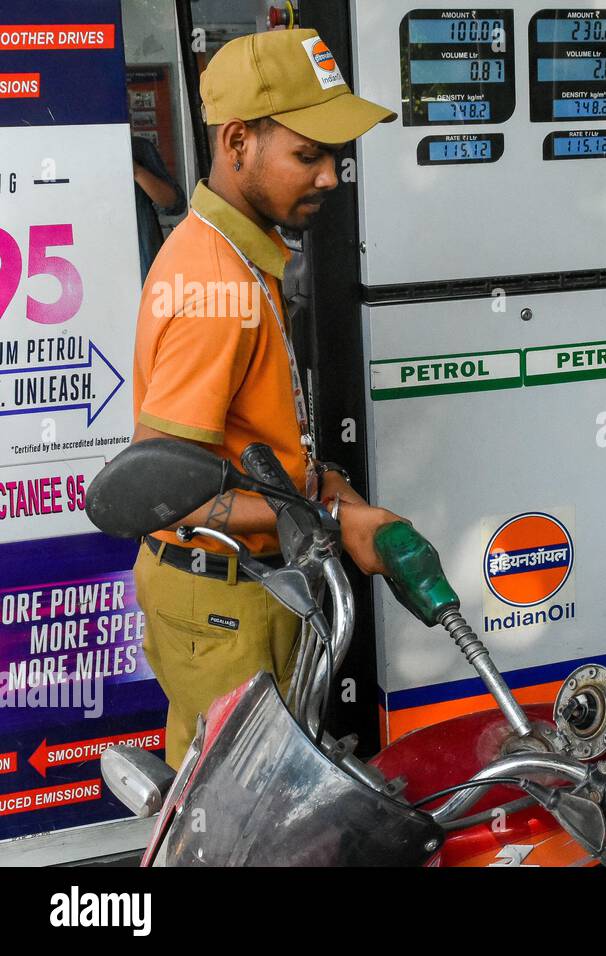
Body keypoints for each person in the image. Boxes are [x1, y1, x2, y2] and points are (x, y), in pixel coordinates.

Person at [131, 28, 400, 767]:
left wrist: (331, 490)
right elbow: (162, 491)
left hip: (250, 584)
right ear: (239, 142)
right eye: (308, 155)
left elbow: (260, 436)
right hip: (222, 600)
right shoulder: (216, 288)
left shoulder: (242, 257)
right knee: (245, 815)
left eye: (335, 157)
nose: (330, 179)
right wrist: (329, 518)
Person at [132, 135, 186, 283]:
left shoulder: (137, 148)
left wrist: (136, 170)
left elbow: (174, 204)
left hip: (147, 271)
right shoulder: (71, 152)